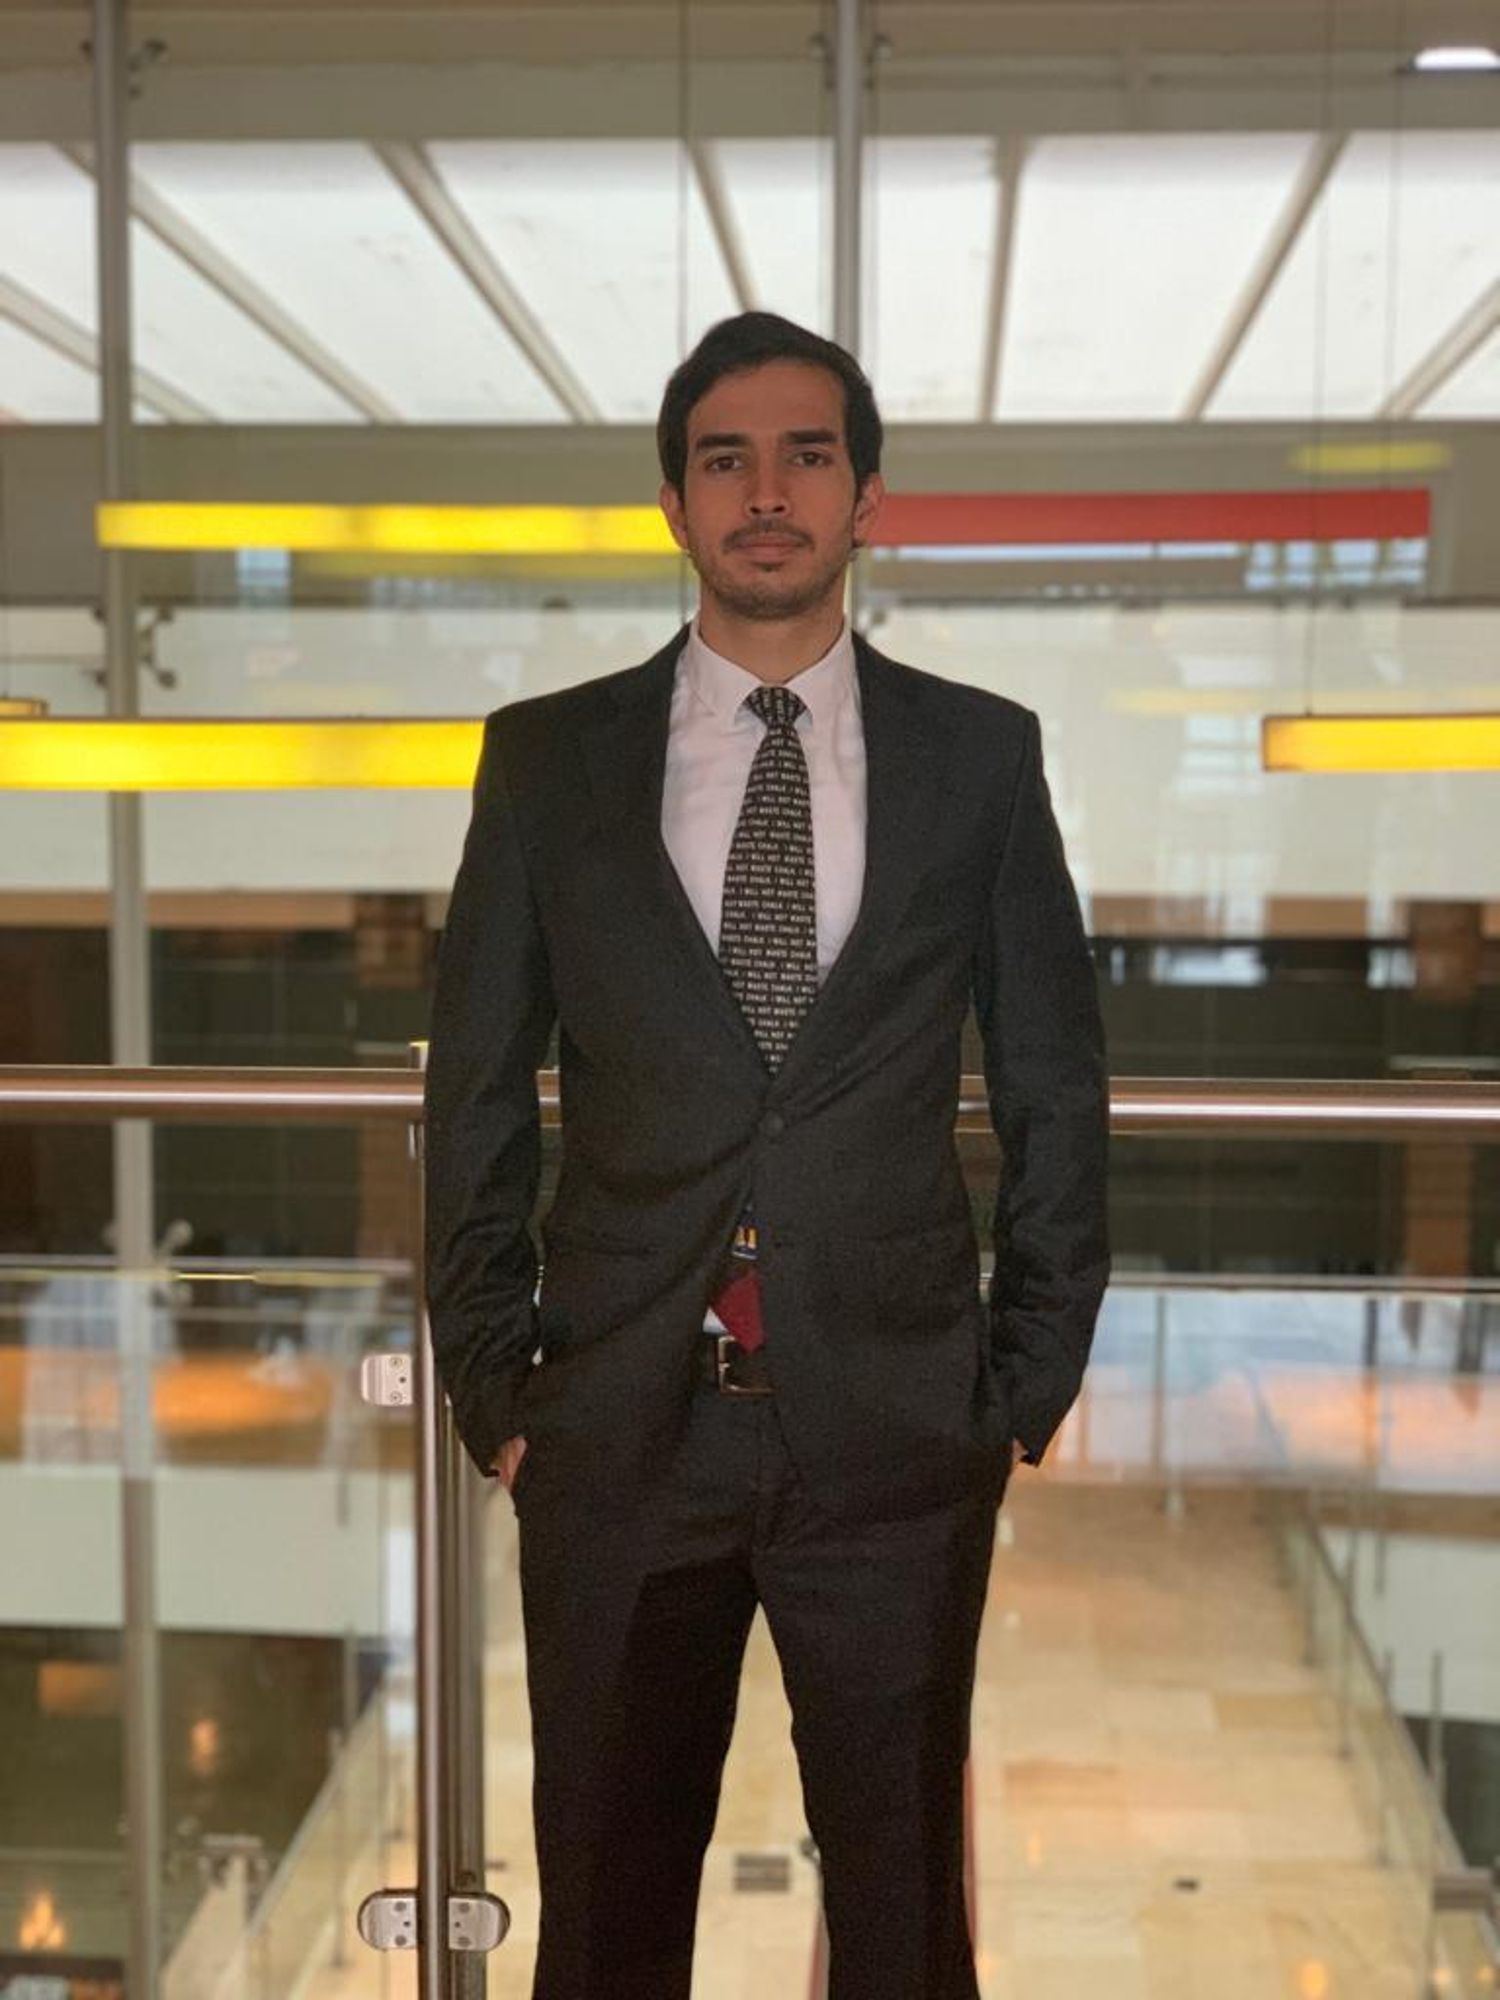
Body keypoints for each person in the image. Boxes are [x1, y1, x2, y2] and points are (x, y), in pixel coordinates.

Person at [424, 310, 1110, 2000]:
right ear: (674, 503)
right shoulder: (547, 761)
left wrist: (1020, 1382)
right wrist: (494, 1382)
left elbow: (1053, 1081)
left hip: (896, 1439)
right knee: (604, 1920)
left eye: (808, 454)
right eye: (725, 459)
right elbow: (479, 1089)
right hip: (615, 1433)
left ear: (866, 496)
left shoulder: (980, 756)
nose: (767, 491)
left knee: (902, 1923)